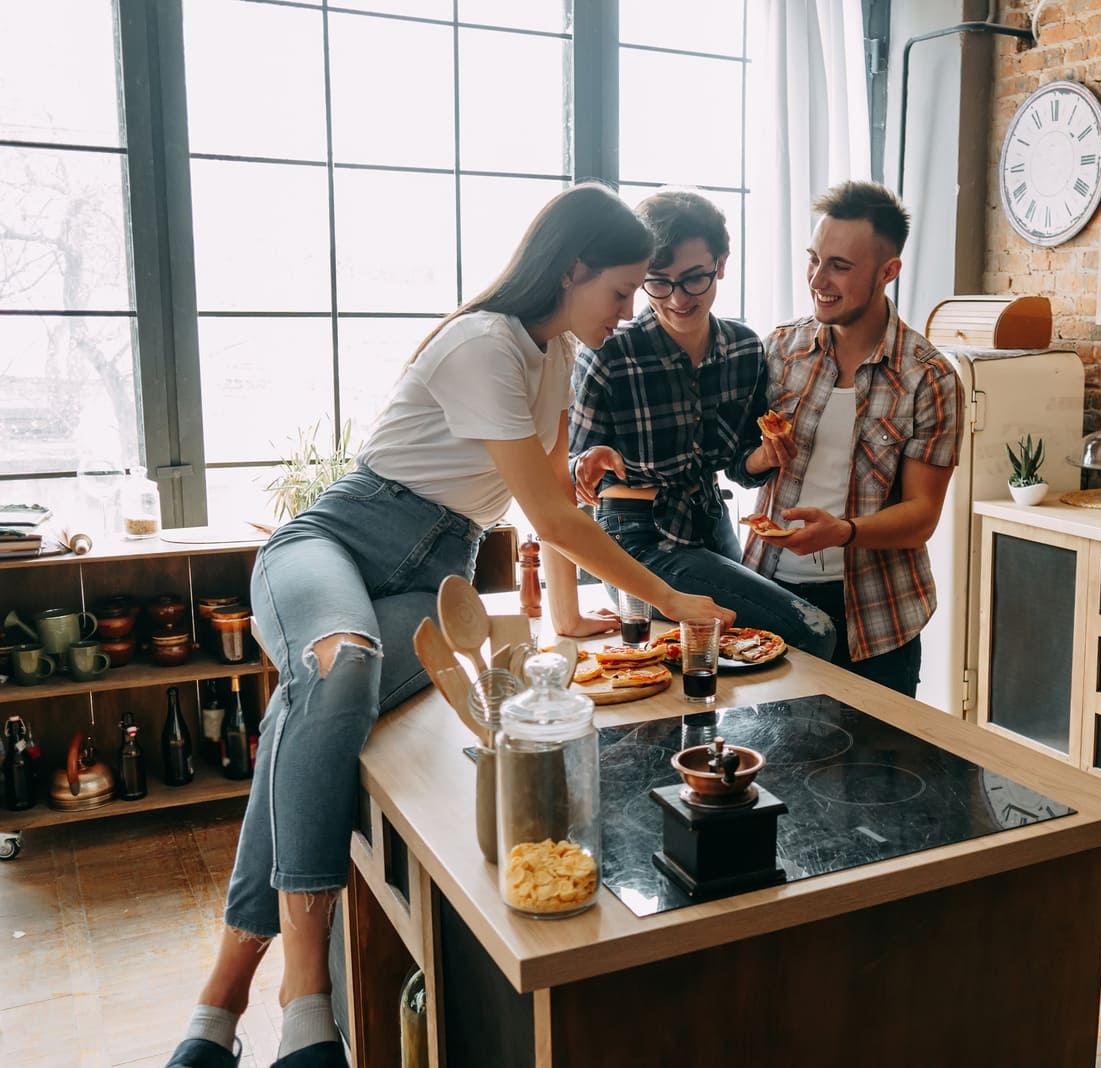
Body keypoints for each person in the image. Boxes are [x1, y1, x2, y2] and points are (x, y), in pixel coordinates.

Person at [166, 184, 734, 1068]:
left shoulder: (552, 356)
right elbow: (549, 520)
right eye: (621, 292)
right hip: (336, 543)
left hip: (432, 577)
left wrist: (579, 465)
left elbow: (546, 487)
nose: (628, 314)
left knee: (310, 710)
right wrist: (668, 599)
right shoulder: (484, 344)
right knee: (341, 664)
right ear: (574, 268)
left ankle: (221, 998)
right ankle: (304, 995)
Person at [568, 189, 835, 657]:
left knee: (748, 651)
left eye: (694, 279)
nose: (677, 298)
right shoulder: (608, 354)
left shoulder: (744, 349)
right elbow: (566, 474)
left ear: (722, 263)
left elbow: (736, 463)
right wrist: (585, 465)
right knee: (812, 631)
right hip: (632, 539)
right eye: (658, 282)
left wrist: (765, 455)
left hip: (710, 524)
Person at [740, 181, 963, 697]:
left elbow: (921, 517)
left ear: (889, 272)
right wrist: (758, 457)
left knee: (874, 772)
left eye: (840, 265)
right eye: (814, 259)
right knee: (775, 764)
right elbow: (737, 460)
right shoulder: (780, 351)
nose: (818, 279)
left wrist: (840, 531)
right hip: (771, 595)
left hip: (877, 619)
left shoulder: (929, 378)